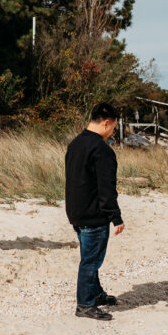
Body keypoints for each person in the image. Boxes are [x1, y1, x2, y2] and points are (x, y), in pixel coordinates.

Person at [65, 102, 124, 321]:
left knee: (91, 256)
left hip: (76, 212)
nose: (113, 131)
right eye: (114, 127)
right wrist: (115, 216)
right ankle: (85, 305)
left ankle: (96, 293)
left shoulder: (75, 144)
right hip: (93, 214)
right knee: (90, 261)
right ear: (107, 123)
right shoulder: (102, 151)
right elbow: (106, 188)